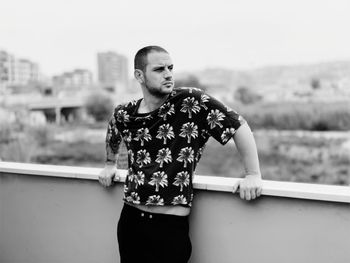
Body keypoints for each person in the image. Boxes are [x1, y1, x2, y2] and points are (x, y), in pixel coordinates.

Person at [98, 45, 263, 263]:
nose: (168, 74)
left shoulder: (190, 102)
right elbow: (113, 130)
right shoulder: (125, 112)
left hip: (169, 228)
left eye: (170, 68)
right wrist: (110, 164)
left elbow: (238, 125)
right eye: (159, 69)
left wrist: (252, 174)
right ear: (139, 75)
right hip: (130, 221)